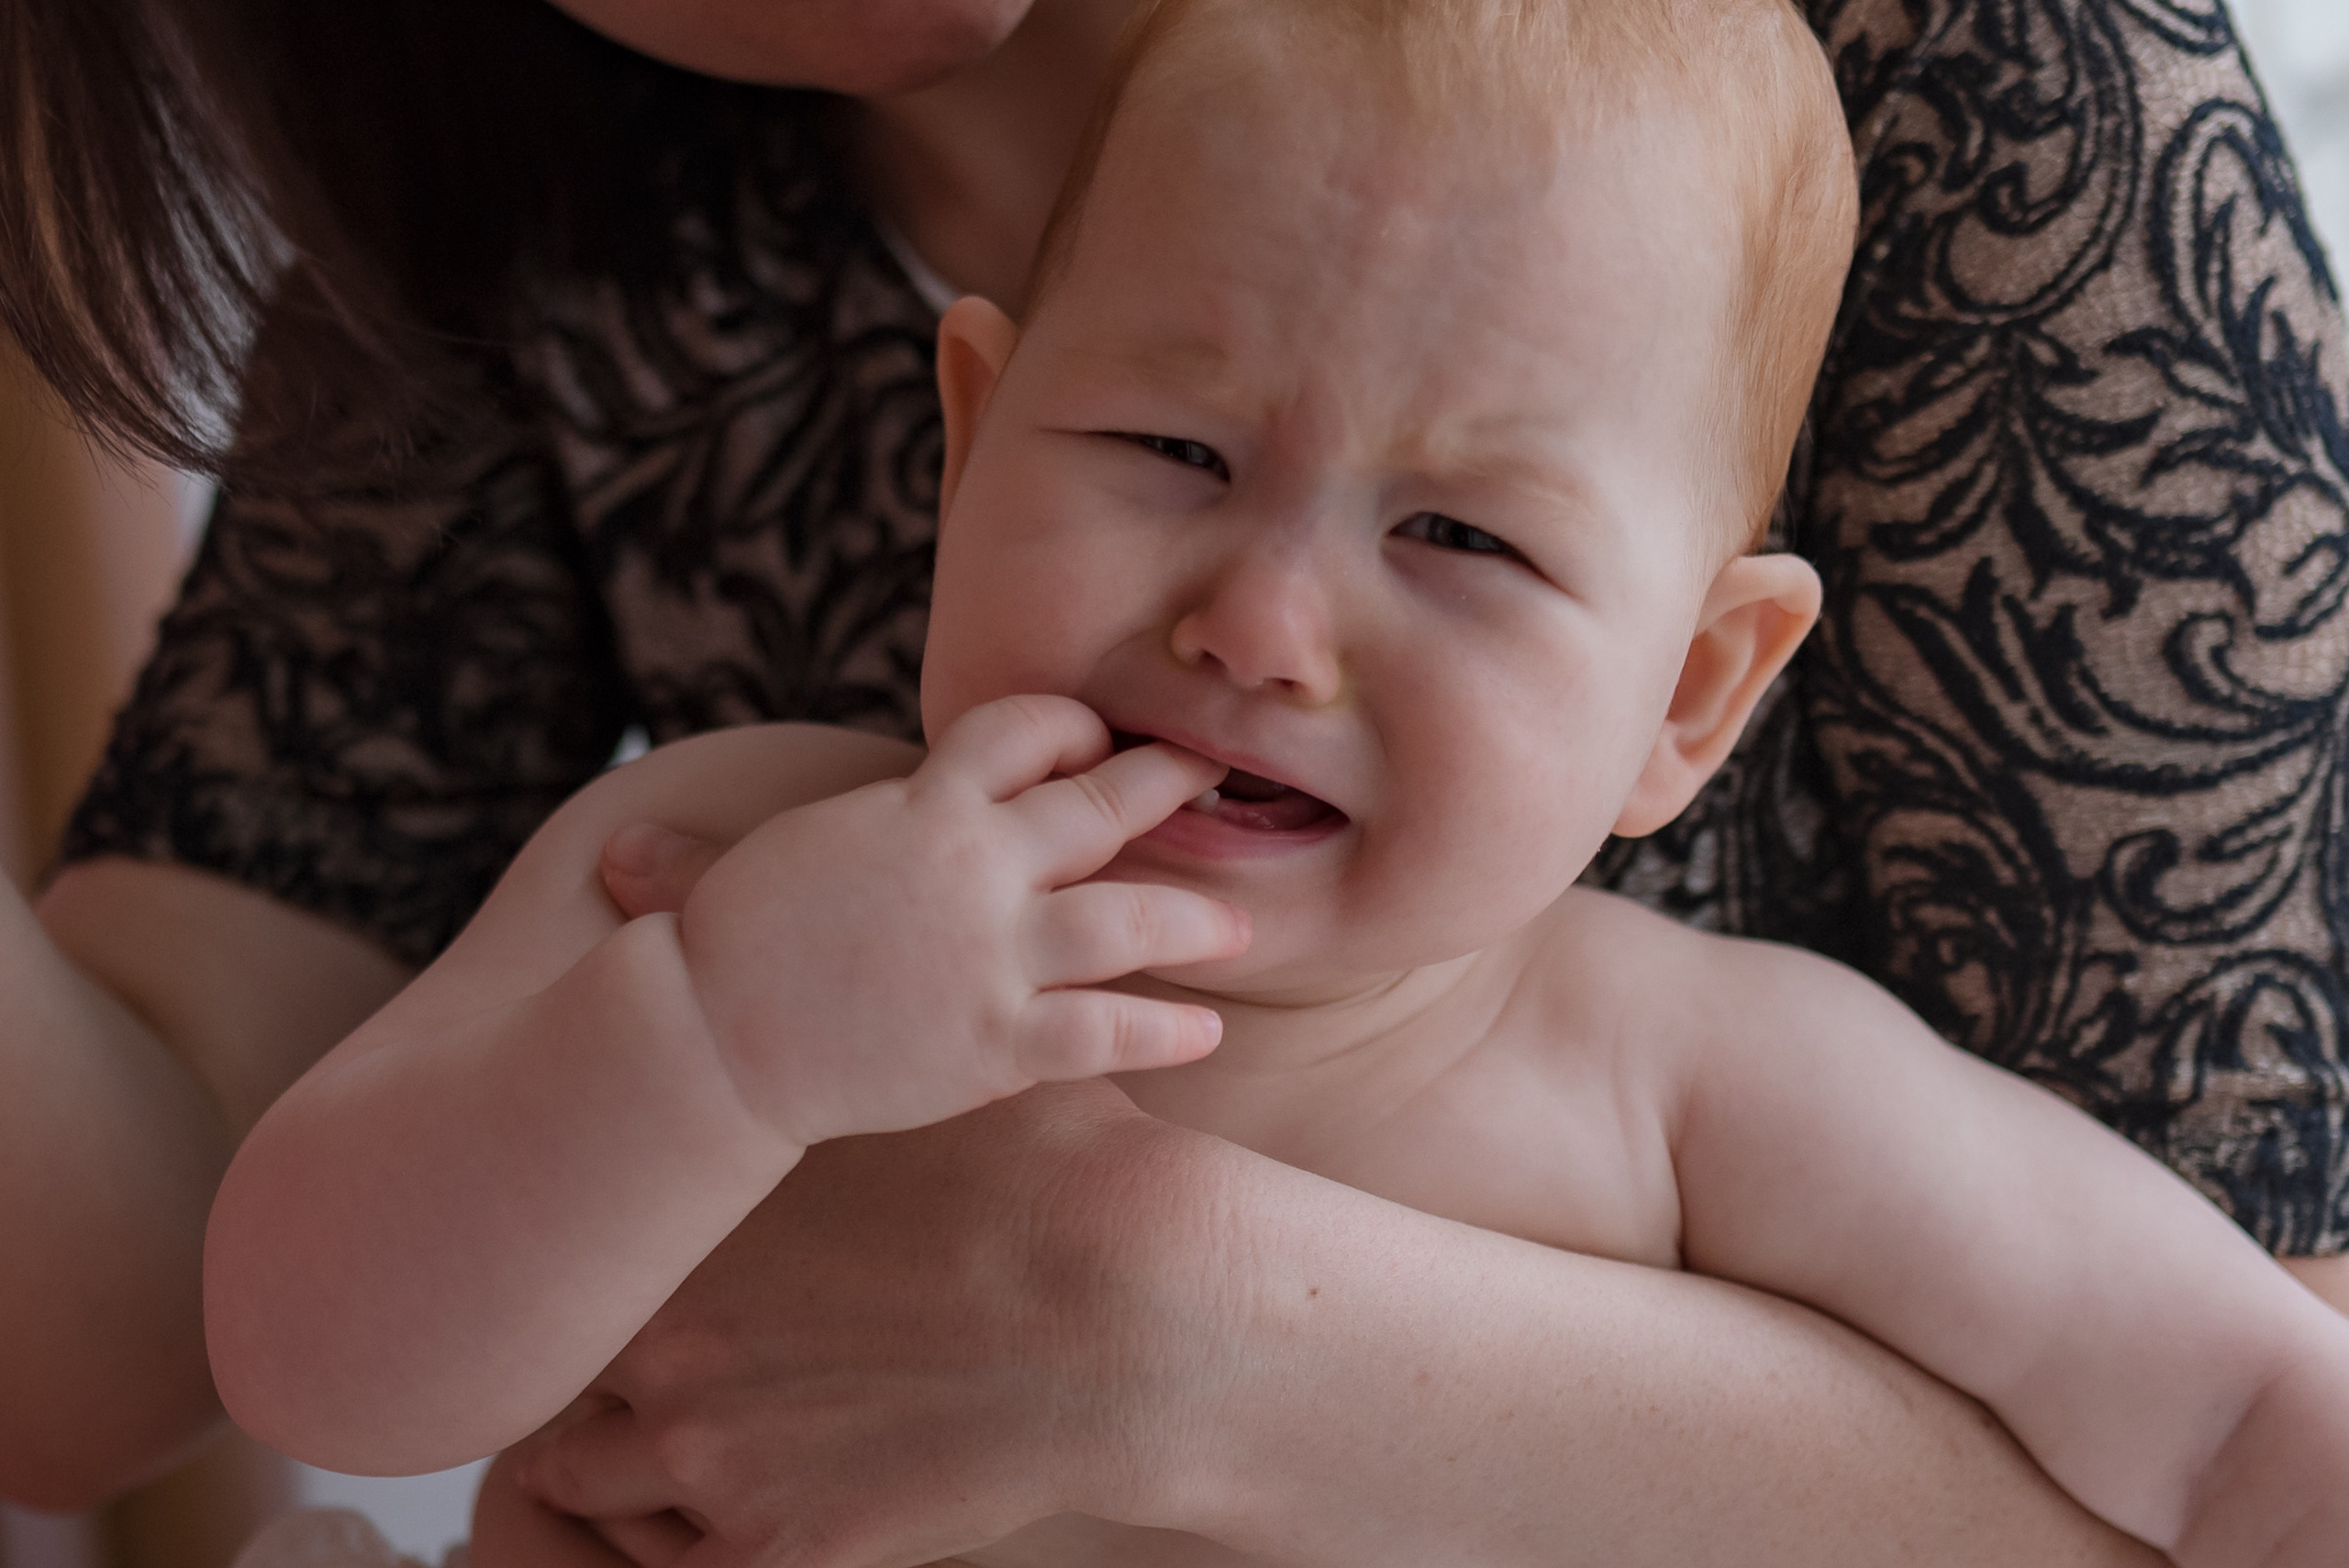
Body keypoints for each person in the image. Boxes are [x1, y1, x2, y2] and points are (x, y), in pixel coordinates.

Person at [0, 0, 2338, 1559]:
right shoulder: (726, 861)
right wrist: (703, 1048)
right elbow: (288, 1349)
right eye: (1164, 451)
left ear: (1690, 700)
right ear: (969, 432)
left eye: (1458, 538)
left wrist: (1165, 1315)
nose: (1260, 623)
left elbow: (2248, 1426)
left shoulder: (1699, 1082)